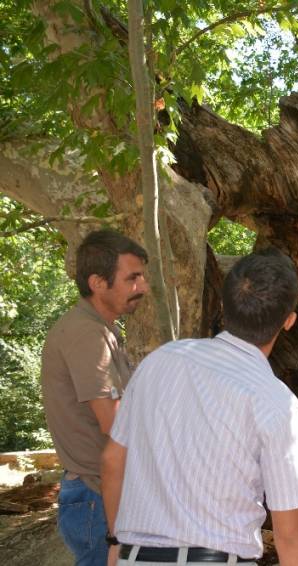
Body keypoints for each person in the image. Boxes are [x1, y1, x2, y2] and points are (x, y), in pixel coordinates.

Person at [101, 250, 298, 566]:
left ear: (224, 306)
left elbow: (112, 462)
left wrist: (115, 542)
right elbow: (292, 532)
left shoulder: (160, 361)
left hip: (134, 557)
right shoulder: (276, 401)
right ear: (289, 321)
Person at [41, 229, 149, 566]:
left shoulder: (102, 329)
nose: (143, 287)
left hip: (101, 494)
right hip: (96, 497)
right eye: (132, 278)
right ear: (98, 283)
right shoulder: (87, 334)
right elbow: (115, 425)